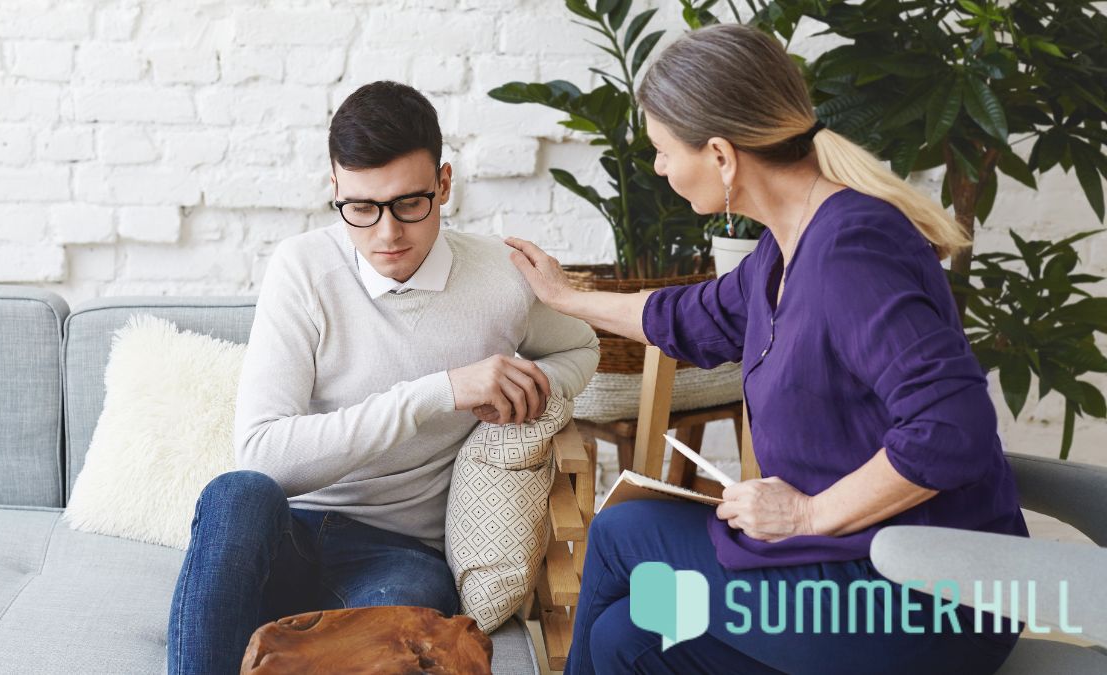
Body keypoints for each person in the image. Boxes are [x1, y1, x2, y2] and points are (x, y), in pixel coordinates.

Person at [506, 24, 1028, 675]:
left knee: (620, 533)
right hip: (844, 566)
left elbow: (954, 430)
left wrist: (807, 510)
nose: (661, 167)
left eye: (666, 151)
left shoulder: (851, 251)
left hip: (926, 600)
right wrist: (566, 296)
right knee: (624, 637)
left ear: (722, 156)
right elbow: (686, 315)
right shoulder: (779, 252)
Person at [166, 80, 600, 675]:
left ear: (444, 184)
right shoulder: (303, 269)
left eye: (409, 204)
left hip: (399, 553)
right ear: (336, 189)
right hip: (287, 532)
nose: (387, 233)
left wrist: (528, 383)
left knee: (404, 644)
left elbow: (582, 346)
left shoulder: (501, 278)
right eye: (362, 209)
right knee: (236, 493)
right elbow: (263, 456)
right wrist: (439, 391)